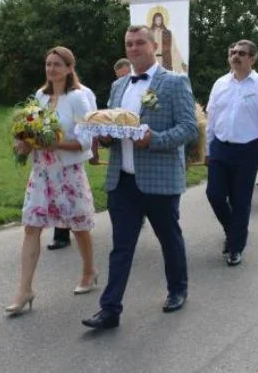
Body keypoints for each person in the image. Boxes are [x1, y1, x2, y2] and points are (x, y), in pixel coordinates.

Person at [81, 25, 198, 330]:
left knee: (169, 238)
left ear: (153, 45)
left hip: (159, 180)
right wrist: (104, 137)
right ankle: (110, 309)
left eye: (139, 43)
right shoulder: (119, 87)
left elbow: (188, 128)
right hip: (123, 180)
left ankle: (177, 289)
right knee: (121, 247)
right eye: (129, 44)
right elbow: (112, 130)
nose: (133, 48)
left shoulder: (174, 82)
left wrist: (153, 139)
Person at [6, 46, 96, 315]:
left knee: (78, 226)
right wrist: (23, 143)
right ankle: (24, 290)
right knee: (31, 226)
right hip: (42, 172)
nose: (51, 69)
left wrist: (52, 142)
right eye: (48, 64)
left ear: (70, 68)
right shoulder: (40, 96)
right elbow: (30, 129)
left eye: (57, 64)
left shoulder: (78, 98)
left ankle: (89, 271)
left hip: (68, 173)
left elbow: (84, 141)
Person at [205, 39, 258, 266]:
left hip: (248, 150)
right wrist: (208, 147)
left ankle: (236, 247)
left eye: (241, 53)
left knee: (240, 200)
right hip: (220, 147)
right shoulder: (220, 83)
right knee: (215, 195)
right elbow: (212, 117)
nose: (235, 56)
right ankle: (233, 231)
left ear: (252, 58)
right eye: (233, 52)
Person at [47, 82, 100, 251]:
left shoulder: (84, 93)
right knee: (57, 193)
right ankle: (61, 235)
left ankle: (77, 233)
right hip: (50, 159)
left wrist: (94, 151)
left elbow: (92, 123)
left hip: (72, 152)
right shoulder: (47, 94)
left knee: (71, 196)